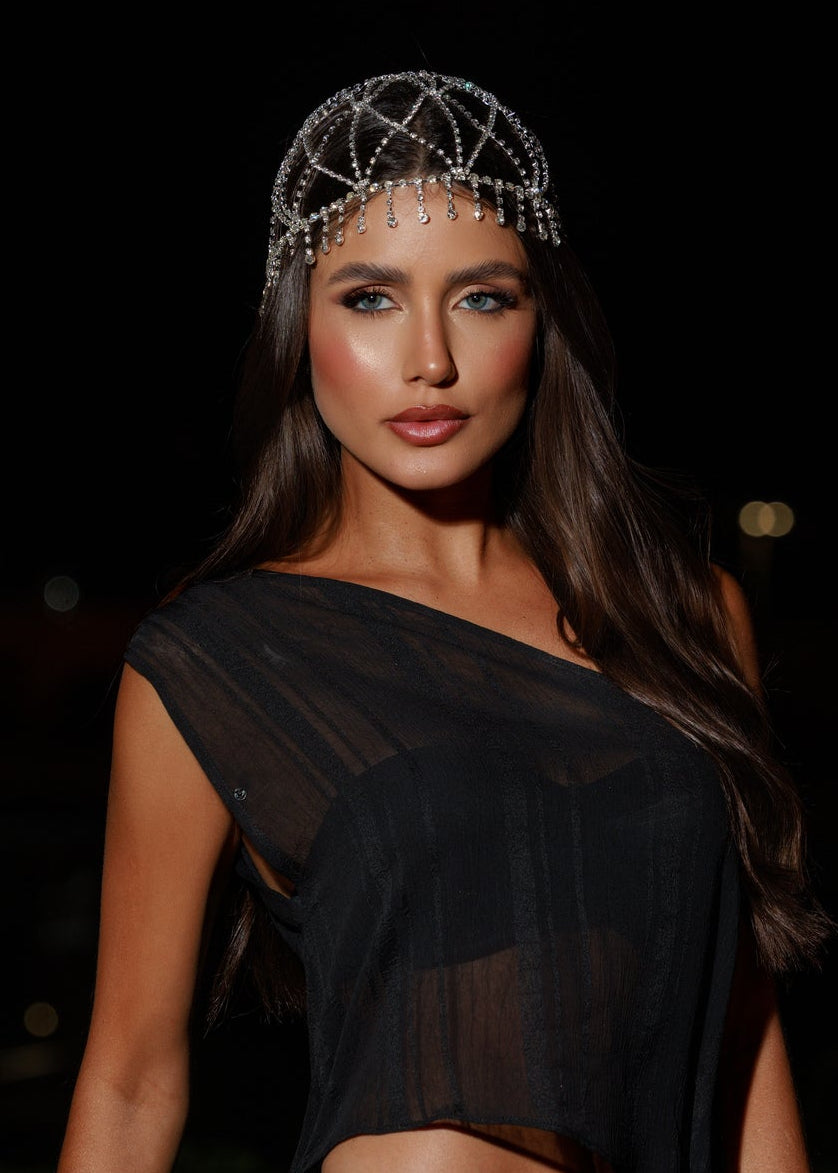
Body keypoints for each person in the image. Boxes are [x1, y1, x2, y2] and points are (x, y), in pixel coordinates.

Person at [58, 70, 830, 1173]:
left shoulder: (683, 617)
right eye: (370, 299)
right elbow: (132, 1079)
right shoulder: (220, 657)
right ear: (298, 328)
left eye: (482, 298)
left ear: (540, 323)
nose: (430, 359)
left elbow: (745, 1023)